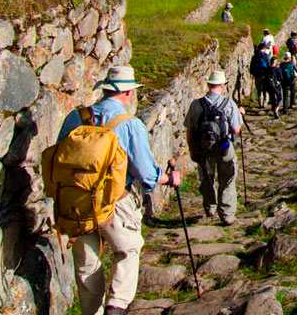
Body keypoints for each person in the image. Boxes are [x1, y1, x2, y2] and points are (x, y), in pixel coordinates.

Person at [55, 66, 180, 315]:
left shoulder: (75, 118)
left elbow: (60, 155)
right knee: (128, 249)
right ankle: (117, 305)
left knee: (87, 262)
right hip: (115, 200)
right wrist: (168, 179)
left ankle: (93, 311)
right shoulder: (129, 125)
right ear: (128, 93)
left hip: (77, 200)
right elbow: (146, 174)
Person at [184, 70, 244, 226]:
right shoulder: (229, 104)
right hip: (224, 148)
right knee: (228, 179)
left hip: (203, 149)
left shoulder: (196, 105)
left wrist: (192, 150)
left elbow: (190, 130)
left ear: (209, 84)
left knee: (206, 178)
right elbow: (237, 130)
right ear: (223, 86)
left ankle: (210, 207)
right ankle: (227, 214)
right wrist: (240, 115)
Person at [249, 42, 271, 107]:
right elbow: (268, 65)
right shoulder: (266, 55)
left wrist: (252, 73)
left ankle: (260, 102)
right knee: (265, 89)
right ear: (263, 48)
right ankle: (265, 102)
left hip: (257, 75)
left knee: (259, 89)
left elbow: (251, 66)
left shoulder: (254, 56)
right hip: (265, 74)